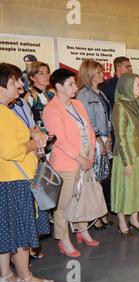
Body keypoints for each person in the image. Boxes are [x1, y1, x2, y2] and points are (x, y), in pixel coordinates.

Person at [0, 63, 54, 282]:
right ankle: (25, 278)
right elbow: (9, 150)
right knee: (21, 232)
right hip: (15, 180)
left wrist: (32, 132)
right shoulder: (2, 113)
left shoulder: (6, 110)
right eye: (14, 82)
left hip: (8, 179)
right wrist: (36, 142)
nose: (21, 85)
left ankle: (6, 276)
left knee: (7, 231)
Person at [43, 69, 98, 258]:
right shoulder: (51, 109)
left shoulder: (77, 104)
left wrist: (91, 150)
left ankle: (82, 230)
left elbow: (89, 127)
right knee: (63, 204)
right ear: (58, 86)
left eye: (75, 83)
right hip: (67, 163)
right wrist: (81, 158)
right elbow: (60, 140)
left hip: (85, 158)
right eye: (71, 84)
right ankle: (63, 239)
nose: (75, 87)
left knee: (81, 199)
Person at [76, 59, 113, 230]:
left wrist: (109, 138)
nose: (101, 74)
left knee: (104, 178)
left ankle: (103, 212)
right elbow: (87, 122)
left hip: (105, 139)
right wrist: (100, 141)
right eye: (98, 72)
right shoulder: (83, 95)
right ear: (89, 74)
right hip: (94, 142)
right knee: (96, 179)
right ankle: (96, 216)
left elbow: (107, 117)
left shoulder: (101, 93)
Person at [111, 73, 139, 237]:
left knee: (138, 188)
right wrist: (127, 162)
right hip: (126, 156)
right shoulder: (120, 106)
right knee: (124, 189)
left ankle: (134, 219)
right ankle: (121, 222)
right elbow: (121, 137)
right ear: (127, 87)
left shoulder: (138, 104)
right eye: (138, 84)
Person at [24, 61, 55, 134]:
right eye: (41, 73)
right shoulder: (29, 96)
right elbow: (25, 120)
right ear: (32, 77)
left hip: (54, 135)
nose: (47, 76)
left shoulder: (52, 94)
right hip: (38, 138)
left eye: (48, 73)